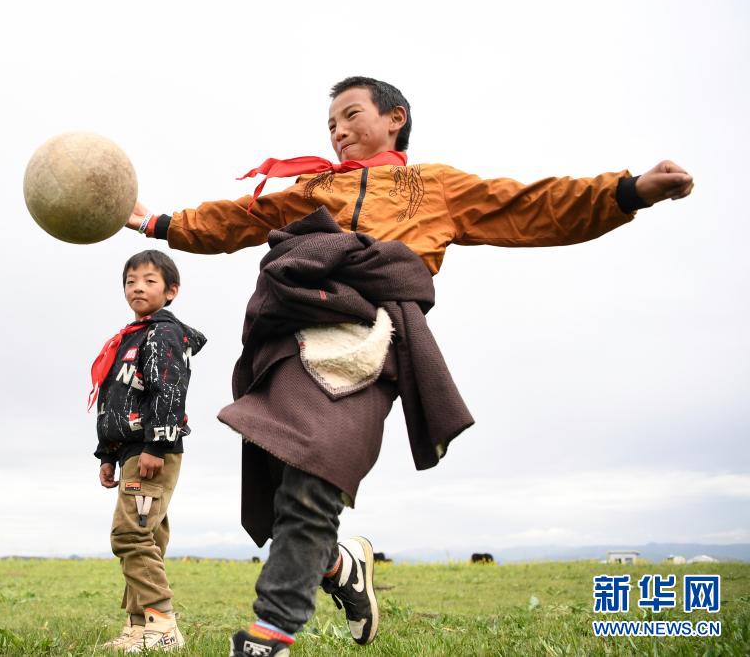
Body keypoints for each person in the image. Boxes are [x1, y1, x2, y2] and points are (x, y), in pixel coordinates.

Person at [126, 77, 693, 657]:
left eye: (351, 115)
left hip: (371, 342)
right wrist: (158, 223)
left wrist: (628, 191)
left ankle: (269, 637)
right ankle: (339, 565)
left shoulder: (436, 185)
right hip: (291, 334)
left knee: (314, 477)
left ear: (395, 118)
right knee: (287, 485)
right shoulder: (314, 188)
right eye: (331, 124)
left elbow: (530, 205)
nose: (339, 131)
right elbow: (238, 219)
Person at [89, 249, 206, 653]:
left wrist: (157, 444)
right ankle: (139, 627)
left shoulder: (163, 334)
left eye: (149, 280)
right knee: (147, 536)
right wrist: (107, 454)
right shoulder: (130, 337)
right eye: (130, 281)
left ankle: (163, 625)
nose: (138, 287)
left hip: (151, 449)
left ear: (171, 291)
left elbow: (168, 389)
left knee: (130, 535)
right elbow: (117, 401)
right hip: (131, 450)